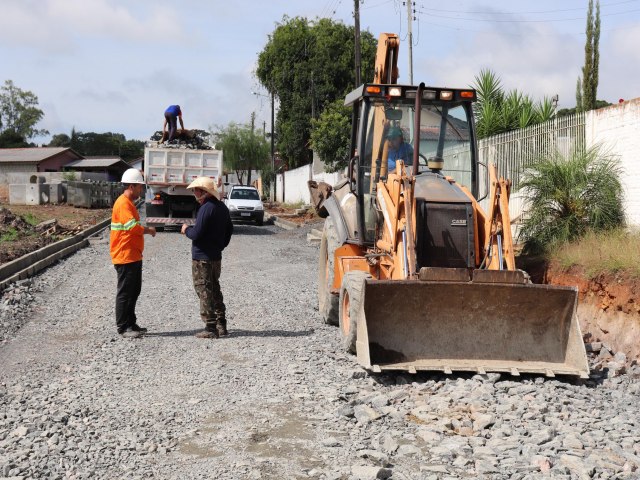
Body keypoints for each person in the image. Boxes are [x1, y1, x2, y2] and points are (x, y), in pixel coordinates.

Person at [181, 177, 233, 339]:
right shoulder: (222, 208)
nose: (194, 192)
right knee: (215, 288)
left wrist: (186, 229)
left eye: (196, 190)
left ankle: (210, 327)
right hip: (215, 256)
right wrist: (220, 246)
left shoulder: (206, 208)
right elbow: (229, 230)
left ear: (204, 192)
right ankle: (221, 324)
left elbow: (196, 233)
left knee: (204, 289)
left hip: (202, 258)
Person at [110, 168, 157, 338]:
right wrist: (149, 230)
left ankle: (131, 323)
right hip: (125, 255)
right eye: (139, 187)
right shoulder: (123, 204)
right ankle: (123, 327)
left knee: (134, 290)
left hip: (133, 254)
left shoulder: (129, 204)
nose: (141, 190)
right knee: (125, 292)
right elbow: (132, 227)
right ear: (131, 186)